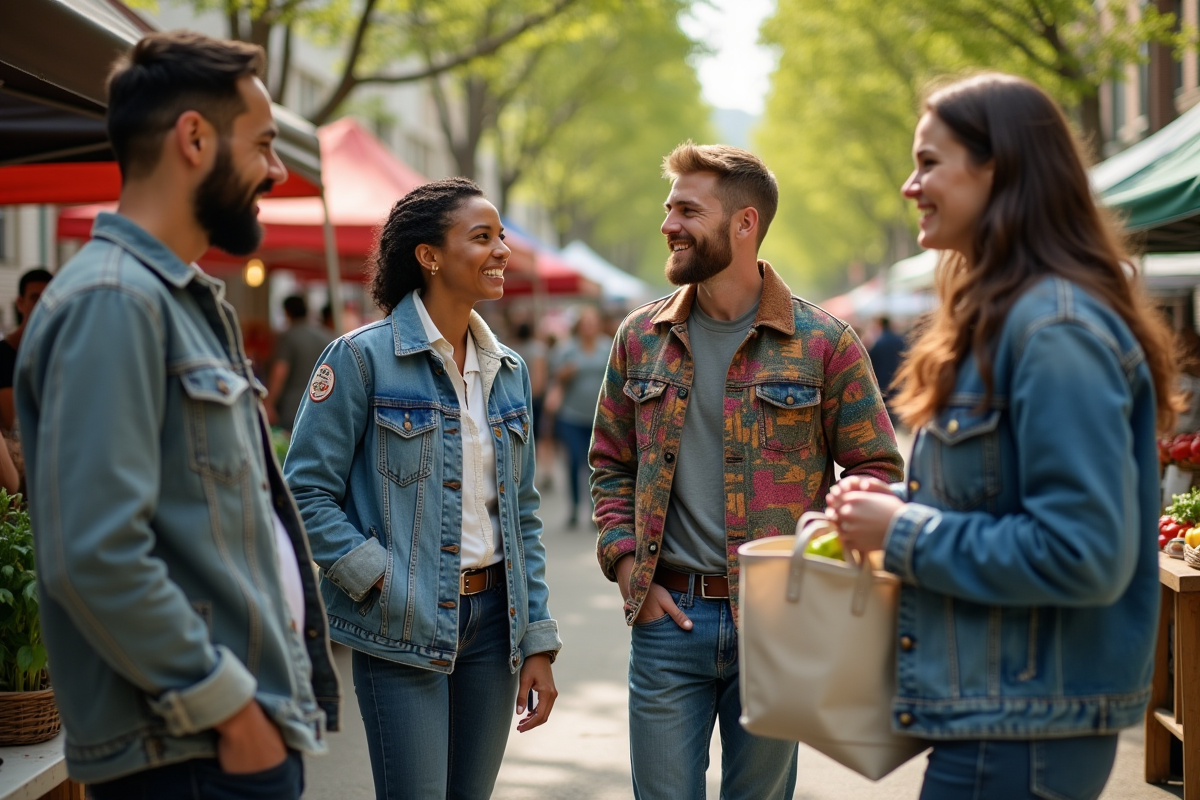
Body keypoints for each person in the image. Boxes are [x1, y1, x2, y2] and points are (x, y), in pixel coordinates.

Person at [825, 74, 1181, 800]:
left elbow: (1082, 553)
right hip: (1002, 720)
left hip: (1019, 732)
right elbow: (1007, 491)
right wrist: (902, 499)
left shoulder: (1053, 328)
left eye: (929, 162)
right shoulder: (1025, 317)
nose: (908, 184)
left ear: (1001, 168)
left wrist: (901, 530)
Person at [13, 32, 340, 798]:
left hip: (215, 745)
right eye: (262, 144)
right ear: (194, 137)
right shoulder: (115, 303)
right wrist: (232, 712)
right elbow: (95, 554)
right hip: (192, 753)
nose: (276, 169)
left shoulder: (171, 300)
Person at [589, 142, 904, 800]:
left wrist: (821, 569)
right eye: (668, 207)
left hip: (779, 625)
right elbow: (610, 463)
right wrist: (627, 568)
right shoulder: (638, 338)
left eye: (686, 210)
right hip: (665, 619)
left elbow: (875, 467)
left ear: (744, 224)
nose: (668, 224)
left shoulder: (825, 344)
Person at [284, 178, 561, 800]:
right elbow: (302, 493)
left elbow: (521, 514)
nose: (501, 251)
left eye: (502, 237)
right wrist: (381, 577)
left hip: (495, 626)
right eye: (481, 237)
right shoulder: (359, 360)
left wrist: (535, 638)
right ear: (429, 256)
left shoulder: (507, 371)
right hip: (401, 624)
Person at [553, 305, 611, 528]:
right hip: (571, 416)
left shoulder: (607, 347)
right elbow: (556, 375)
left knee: (596, 466)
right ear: (579, 326)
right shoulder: (568, 349)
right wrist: (564, 373)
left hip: (600, 417)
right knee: (575, 460)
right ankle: (575, 508)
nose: (588, 326)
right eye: (585, 322)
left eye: (592, 322)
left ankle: (595, 510)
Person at [265, 294, 332, 431]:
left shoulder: (289, 336)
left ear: (287, 312)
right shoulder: (328, 336)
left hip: (293, 409)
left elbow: (280, 370)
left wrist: (269, 403)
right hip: (322, 407)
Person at [0, 268, 52, 431]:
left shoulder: (58, 351)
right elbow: (15, 424)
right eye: (35, 298)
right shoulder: (3, 355)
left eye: (47, 299)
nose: (41, 306)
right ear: (21, 304)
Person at [867, 315, 905, 422]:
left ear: (880, 325)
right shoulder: (900, 340)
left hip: (882, 382)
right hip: (897, 380)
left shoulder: (878, 342)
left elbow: (870, 362)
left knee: (885, 415)